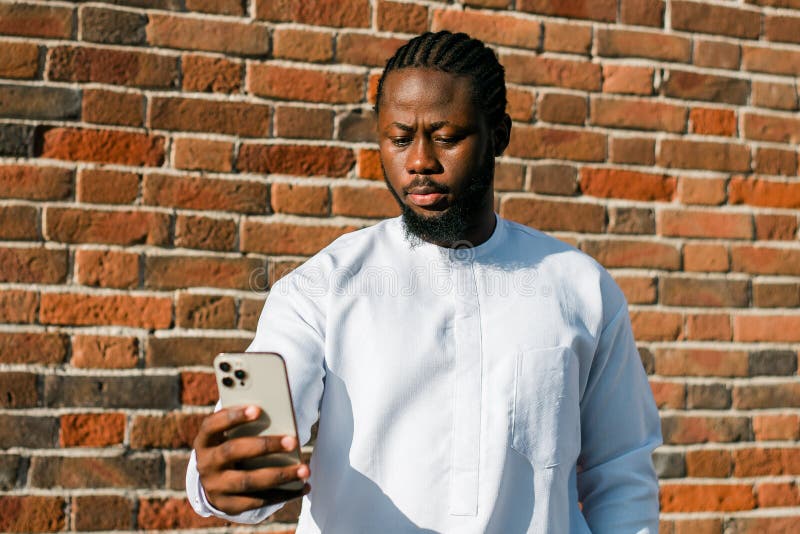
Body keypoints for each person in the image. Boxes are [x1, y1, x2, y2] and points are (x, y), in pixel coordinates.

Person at [187, 31, 662, 533]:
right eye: (398, 138)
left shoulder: (581, 288)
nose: (418, 162)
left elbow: (621, 471)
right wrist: (223, 482)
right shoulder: (320, 287)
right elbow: (251, 450)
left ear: (498, 135)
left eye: (445, 137)